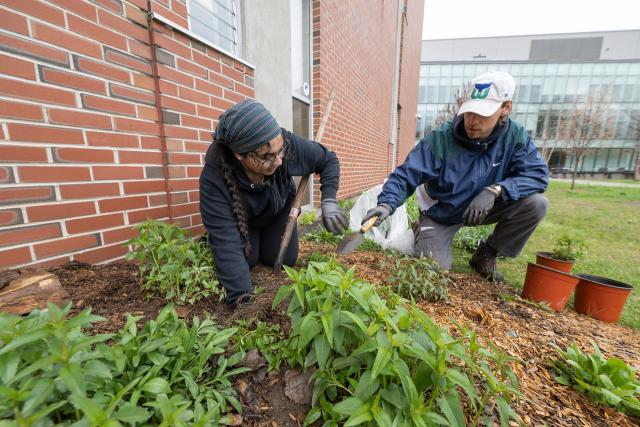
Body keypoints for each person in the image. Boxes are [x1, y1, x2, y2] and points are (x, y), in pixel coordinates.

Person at [363, 71, 549, 281]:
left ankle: (487, 253)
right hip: (443, 212)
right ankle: (422, 231)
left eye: (483, 113)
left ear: (506, 108)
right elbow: (406, 175)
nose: (472, 120)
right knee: (434, 271)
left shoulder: (514, 137)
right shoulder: (441, 139)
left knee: (536, 204)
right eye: (469, 111)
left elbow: (537, 175)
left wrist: (496, 190)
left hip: (483, 207)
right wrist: (386, 204)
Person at [200, 100, 347, 307]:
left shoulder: (283, 143)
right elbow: (228, 249)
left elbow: (328, 160)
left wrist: (329, 200)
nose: (278, 161)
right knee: (244, 262)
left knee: (284, 259)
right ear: (239, 155)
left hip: (277, 210)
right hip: (241, 220)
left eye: (280, 151)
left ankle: (261, 241)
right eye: (267, 156)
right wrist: (243, 303)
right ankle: (214, 238)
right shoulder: (214, 176)